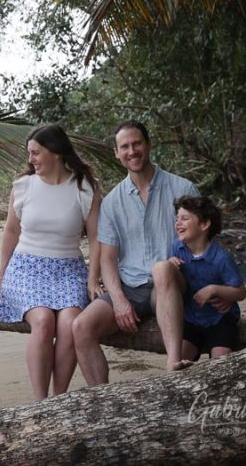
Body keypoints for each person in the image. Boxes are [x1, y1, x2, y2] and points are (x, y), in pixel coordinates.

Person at [72, 119, 199, 385]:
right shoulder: (112, 202)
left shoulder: (183, 189)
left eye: (137, 143)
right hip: (131, 285)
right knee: (80, 327)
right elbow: (107, 258)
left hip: (174, 281)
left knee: (162, 268)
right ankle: (101, 397)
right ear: (117, 153)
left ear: (148, 144)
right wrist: (118, 300)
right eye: (125, 147)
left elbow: (201, 244)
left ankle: (173, 364)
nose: (132, 151)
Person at [0, 124, 102, 400]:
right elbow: (11, 231)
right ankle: (40, 400)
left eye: (36, 153)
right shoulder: (24, 186)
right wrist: (1, 275)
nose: (31, 160)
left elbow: (97, 238)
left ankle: (58, 397)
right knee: (43, 321)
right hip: (26, 268)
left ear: (56, 153)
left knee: (70, 322)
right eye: (29, 153)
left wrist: (92, 277)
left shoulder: (85, 188)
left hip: (69, 269)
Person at [169, 195, 246, 361]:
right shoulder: (177, 247)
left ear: (204, 224)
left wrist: (215, 289)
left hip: (221, 319)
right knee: (180, 358)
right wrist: (171, 264)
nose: (178, 223)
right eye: (177, 219)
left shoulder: (221, 258)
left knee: (220, 363)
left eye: (184, 219)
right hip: (192, 318)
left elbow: (240, 292)